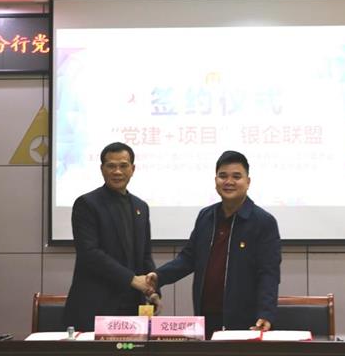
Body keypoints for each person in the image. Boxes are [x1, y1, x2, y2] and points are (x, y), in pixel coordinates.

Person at [146, 151, 281, 338]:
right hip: (206, 317)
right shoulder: (206, 216)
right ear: (215, 180)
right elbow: (188, 258)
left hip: (245, 321)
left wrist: (266, 313)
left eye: (236, 176)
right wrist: (159, 276)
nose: (229, 182)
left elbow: (269, 273)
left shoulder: (263, 222)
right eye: (223, 176)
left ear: (248, 182)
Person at [63, 142, 160, 331]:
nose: (117, 172)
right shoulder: (87, 204)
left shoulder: (141, 207)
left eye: (123, 165)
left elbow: (145, 255)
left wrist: (153, 291)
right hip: (96, 306)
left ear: (133, 169)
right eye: (111, 166)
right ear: (102, 169)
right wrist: (132, 279)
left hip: (132, 306)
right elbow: (89, 254)